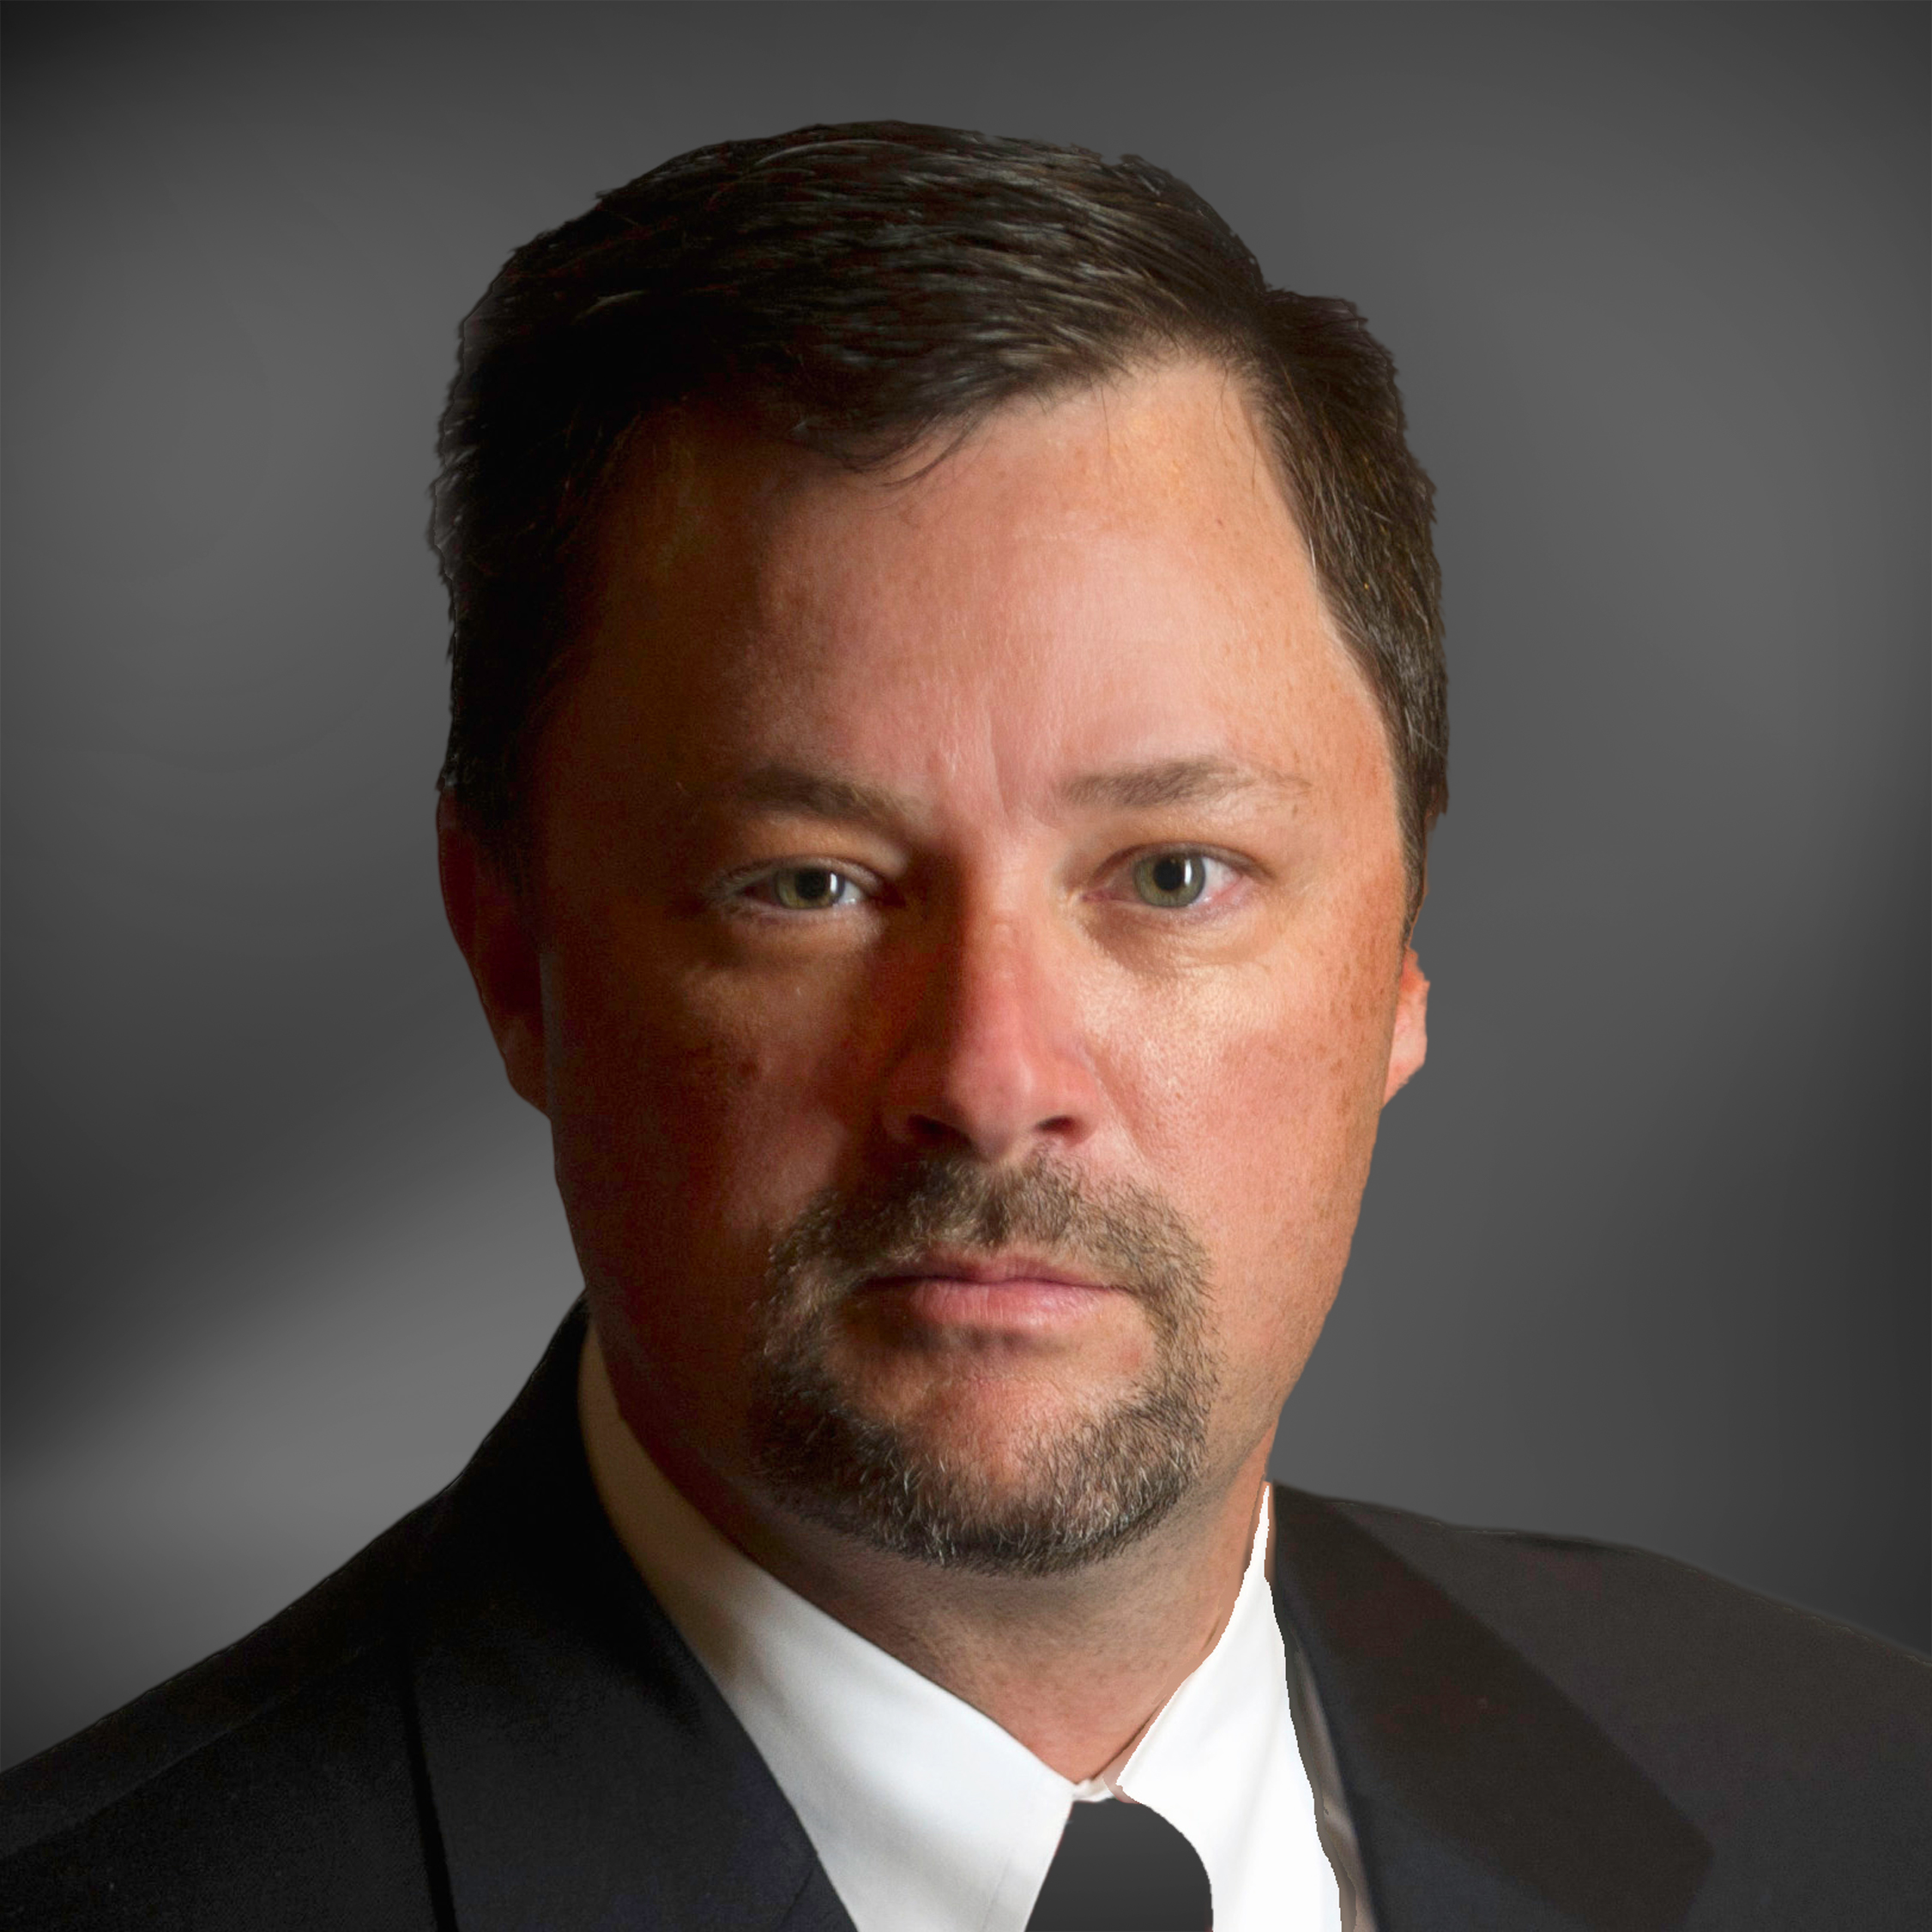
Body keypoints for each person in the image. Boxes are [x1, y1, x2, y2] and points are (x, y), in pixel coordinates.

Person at [1, 120, 1924, 1932]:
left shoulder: (1865, 1797)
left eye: (1174, 873)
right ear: (514, 954)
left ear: (1399, 951)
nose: (994, 1081)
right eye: (807, 883)